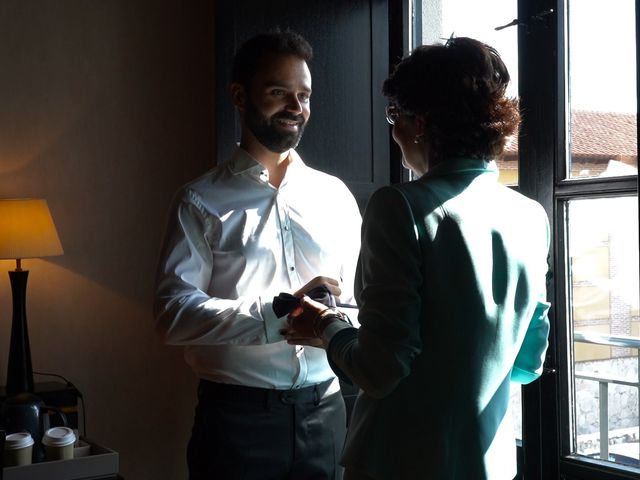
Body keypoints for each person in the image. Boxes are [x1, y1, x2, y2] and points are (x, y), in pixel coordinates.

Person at [283, 37, 551, 480]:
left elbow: (380, 370)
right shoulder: (530, 215)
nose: (394, 131)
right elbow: (527, 365)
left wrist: (328, 327)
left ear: (420, 123)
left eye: (395, 116)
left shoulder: (400, 205)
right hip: (492, 463)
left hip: (402, 461)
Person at [153, 29, 361, 480]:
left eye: (303, 95)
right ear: (239, 95)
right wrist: (278, 314)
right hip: (235, 422)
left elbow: (359, 301)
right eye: (278, 92)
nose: (295, 107)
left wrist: (340, 321)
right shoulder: (199, 200)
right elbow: (172, 313)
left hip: (327, 412)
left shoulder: (337, 197)